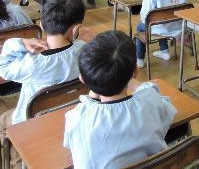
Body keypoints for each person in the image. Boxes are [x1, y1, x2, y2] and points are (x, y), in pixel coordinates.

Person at [0, 0, 86, 168]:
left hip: (34, 123)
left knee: (3, 119)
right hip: (72, 113)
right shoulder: (83, 49)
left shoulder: (32, 64)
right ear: (76, 28)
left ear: (42, 25)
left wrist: (20, 42)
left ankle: (18, 162)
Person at [64, 31, 176, 169]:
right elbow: (166, 109)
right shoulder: (149, 101)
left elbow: (69, 144)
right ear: (135, 72)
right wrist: (131, 81)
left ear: (82, 79)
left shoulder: (76, 118)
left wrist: (93, 94)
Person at [136, 0, 188, 68]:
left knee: (140, 27)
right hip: (180, 26)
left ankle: (139, 59)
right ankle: (164, 52)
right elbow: (185, 5)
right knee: (161, 21)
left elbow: (145, 15)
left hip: (160, 27)